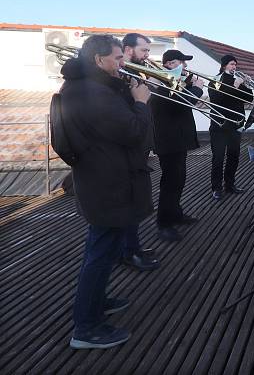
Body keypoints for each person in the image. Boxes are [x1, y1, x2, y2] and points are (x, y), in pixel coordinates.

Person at [60, 35, 153, 349]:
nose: (122, 63)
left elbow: (113, 129)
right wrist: (140, 102)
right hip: (108, 184)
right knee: (100, 255)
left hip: (102, 181)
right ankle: (86, 328)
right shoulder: (94, 93)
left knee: (100, 249)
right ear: (98, 60)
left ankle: (95, 302)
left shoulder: (89, 87)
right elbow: (134, 132)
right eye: (117, 58)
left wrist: (125, 94)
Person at [150, 49, 204, 241]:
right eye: (182, 62)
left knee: (179, 179)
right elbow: (181, 103)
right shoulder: (158, 82)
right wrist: (197, 88)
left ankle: (176, 213)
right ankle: (164, 224)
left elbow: (181, 100)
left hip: (179, 139)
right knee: (169, 183)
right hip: (168, 140)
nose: (185, 66)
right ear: (171, 64)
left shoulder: (172, 82)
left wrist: (189, 85)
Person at [119, 33, 158, 271]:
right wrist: (140, 100)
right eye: (144, 50)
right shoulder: (121, 78)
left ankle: (132, 246)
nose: (147, 55)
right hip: (128, 150)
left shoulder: (134, 73)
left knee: (134, 202)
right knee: (128, 203)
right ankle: (128, 251)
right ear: (128, 50)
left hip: (139, 146)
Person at [208, 54, 254, 200]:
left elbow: (249, 98)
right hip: (219, 125)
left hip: (236, 124)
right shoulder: (215, 80)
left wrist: (245, 85)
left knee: (233, 156)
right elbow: (217, 98)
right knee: (218, 158)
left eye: (235, 64)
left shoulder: (238, 81)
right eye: (231, 64)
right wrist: (235, 85)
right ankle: (216, 188)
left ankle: (230, 184)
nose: (234, 67)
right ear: (224, 66)